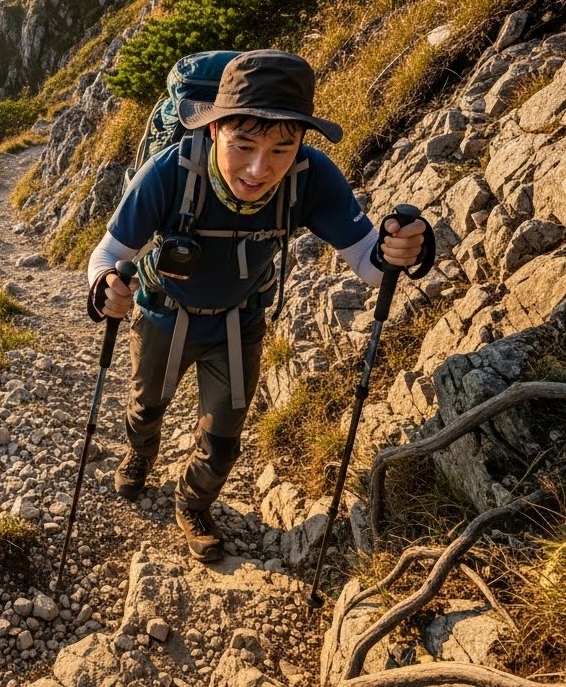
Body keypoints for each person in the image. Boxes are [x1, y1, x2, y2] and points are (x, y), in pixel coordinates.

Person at [85, 49, 430, 562]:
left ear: (301, 143)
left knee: (224, 438)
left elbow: (368, 260)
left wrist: (402, 250)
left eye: (280, 149)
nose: (257, 168)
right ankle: (140, 453)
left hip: (237, 322)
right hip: (163, 313)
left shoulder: (310, 176)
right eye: (243, 145)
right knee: (145, 406)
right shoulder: (170, 170)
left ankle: (193, 503)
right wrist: (106, 285)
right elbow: (109, 252)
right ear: (214, 129)